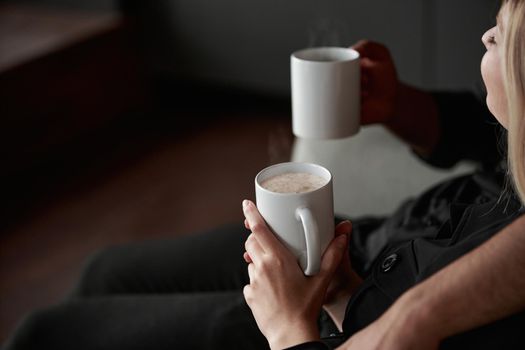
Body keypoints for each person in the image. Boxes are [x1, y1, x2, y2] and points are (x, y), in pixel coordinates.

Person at [3, 1, 524, 349]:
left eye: (501, 36)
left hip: (325, 318)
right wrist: (398, 105)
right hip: (358, 257)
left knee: (45, 332)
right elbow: (485, 134)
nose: (484, 34)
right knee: (105, 270)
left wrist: (293, 326)